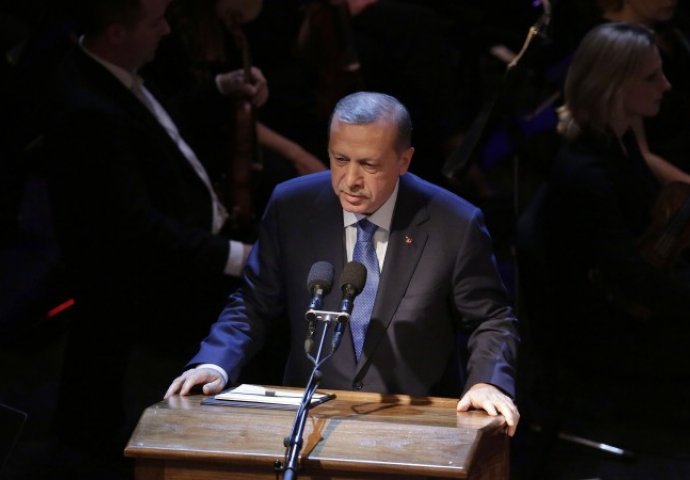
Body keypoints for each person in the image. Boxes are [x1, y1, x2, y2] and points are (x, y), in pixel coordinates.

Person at [166, 91, 521, 437]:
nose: (350, 180)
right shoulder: (291, 206)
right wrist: (215, 362)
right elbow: (253, 302)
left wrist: (486, 381)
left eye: (368, 164)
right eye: (340, 159)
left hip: (415, 425)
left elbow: (490, 319)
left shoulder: (454, 223)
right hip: (310, 422)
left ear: (404, 161)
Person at [44, 0, 269, 474]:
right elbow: (135, 231)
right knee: (148, 431)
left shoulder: (110, 73)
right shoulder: (88, 111)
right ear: (116, 33)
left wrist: (220, 88)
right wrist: (239, 255)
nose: (167, 29)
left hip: (175, 266)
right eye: (155, 21)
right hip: (146, 303)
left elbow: (161, 130)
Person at [538, 22, 690, 410]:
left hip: (637, 298)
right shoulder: (587, 174)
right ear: (614, 85)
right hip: (612, 332)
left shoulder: (617, 140)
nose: (666, 85)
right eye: (651, 77)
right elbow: (633, 281)